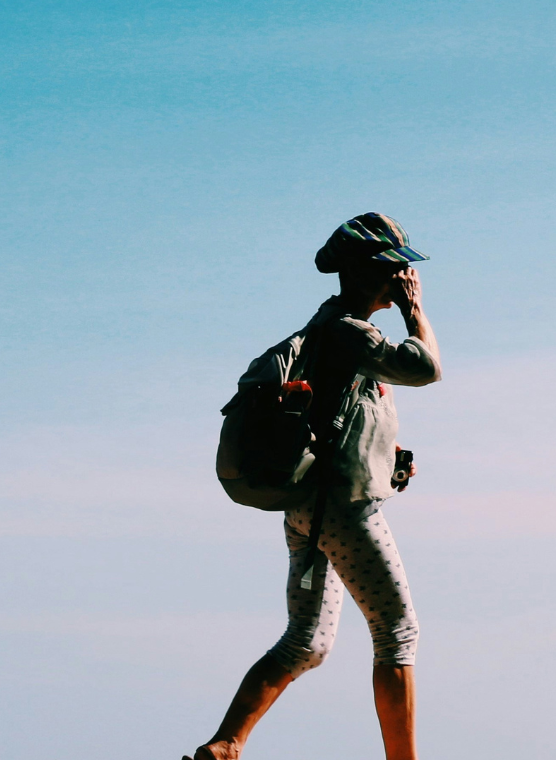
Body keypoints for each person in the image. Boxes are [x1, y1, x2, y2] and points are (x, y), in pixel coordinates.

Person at [189, 213, 443, 760]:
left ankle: (227, 743)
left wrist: (391, 460)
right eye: (396, 267)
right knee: (398, 633)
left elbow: (348, 417)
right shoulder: (349, 330)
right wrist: (415, 311)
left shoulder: (333, 330)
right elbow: (424, 368)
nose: (404, 277)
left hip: (310, 510)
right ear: (371, 270)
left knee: (307, 640)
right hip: (345, 511)